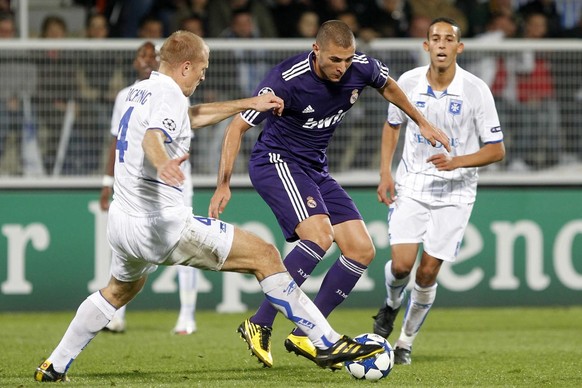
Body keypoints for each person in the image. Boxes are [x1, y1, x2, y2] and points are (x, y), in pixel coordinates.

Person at [34, 30, 384, 383]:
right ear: (186, 66)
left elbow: (191, 116)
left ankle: (55, 364)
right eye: (202, 68)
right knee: (265, 256)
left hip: (123, 224)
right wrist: (162, 163)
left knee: (118, 291)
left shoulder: (138, 92)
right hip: (161, 224)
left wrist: (247, 103)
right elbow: (153, 136)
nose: (204, 76)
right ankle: (326, 342)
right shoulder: (169, 95)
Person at [208, 20, 450, 369]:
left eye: (348, 59)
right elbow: (237, 127)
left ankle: (308, 333)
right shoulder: (284, 80)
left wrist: (422, 122)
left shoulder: (360, 67)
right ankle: (259, 322)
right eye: (336, 60)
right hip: (276, 161)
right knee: (319, 236)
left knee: (361, 249)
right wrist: (223, 182)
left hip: (315, 168)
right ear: (316, 50)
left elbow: (389, 86)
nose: (343, 68)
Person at [371, 17, 505, 365]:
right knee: (402, 266)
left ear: (459, 48)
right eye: (435, 38)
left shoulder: (476, 90)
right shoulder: (408, 82)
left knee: (427, 272)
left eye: (449, 39)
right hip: (412, 183)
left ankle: (405, 342)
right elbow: (392, 126)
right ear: (426, 46)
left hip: (456, 192)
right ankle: (390, 305)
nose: (442, 44)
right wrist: (385, 173)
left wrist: (457, 162)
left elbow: (496, 149)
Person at [99, 41, 200, 335]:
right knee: (125, 249)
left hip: (174, 183)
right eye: (142, 55)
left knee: (185, 245)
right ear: (134, 62)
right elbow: (119, 140)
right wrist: (108, 182)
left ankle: (187, 316)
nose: (147, 60)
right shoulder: (126, 95)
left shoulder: (172, 92)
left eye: (153, 55)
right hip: (138, 185)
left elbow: (179, 128)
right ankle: (114, 315)